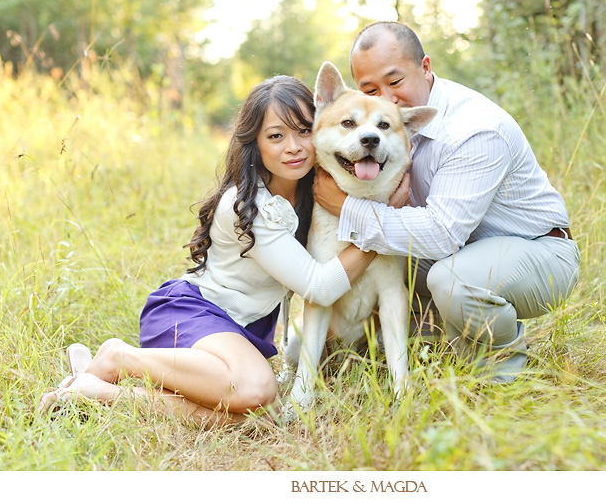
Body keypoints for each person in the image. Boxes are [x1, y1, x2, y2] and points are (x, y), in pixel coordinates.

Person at [39, 75, 377, 426]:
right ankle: (117, 358)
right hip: (191, 316)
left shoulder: (317, 190)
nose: (294, 147)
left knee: (259, 418)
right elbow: (318, 286)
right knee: (256, 390)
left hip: (237, 334)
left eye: (304, 131)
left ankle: (95, 389)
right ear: (255, 144)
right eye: (276, 136)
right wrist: (381, 232)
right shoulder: (247, 205)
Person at [313, 21, 580, 382]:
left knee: (450, 280)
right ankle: (431, 342)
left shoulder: (473, 129)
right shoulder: (384, 128)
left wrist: (346, 209)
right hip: (456, 254)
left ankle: (502, 366)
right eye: (370, 88)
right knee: (391, 274)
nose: (386, 98)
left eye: (395, 82)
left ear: (425, 68)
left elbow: (441, 236)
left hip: (537, 253)